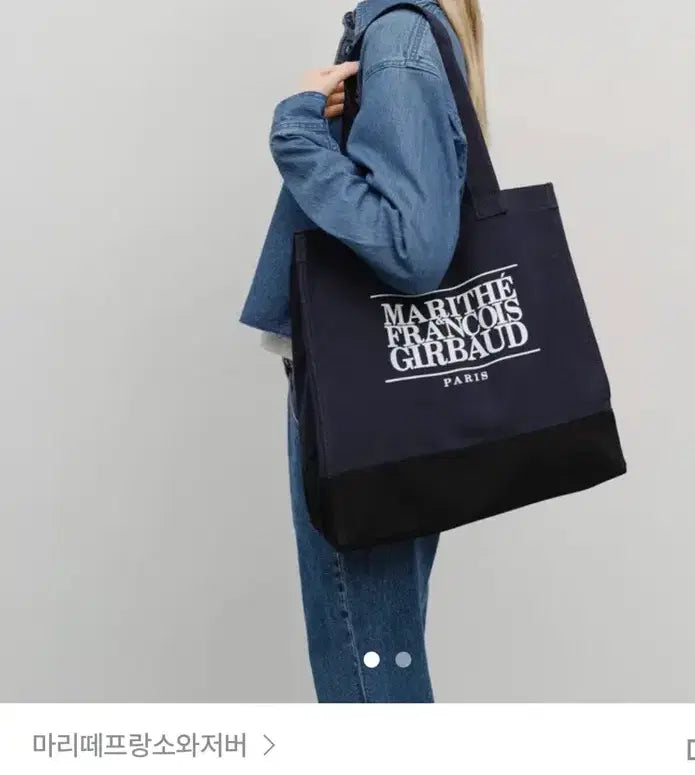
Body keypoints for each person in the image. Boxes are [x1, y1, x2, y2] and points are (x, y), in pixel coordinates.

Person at [239, 0, 487, 702]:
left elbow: (412, 251)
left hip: (357, 397)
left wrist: (296, 129)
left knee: (367, 677)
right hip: (376, 391)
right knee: (377, 660)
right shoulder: (399, 29)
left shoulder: (398, 35)